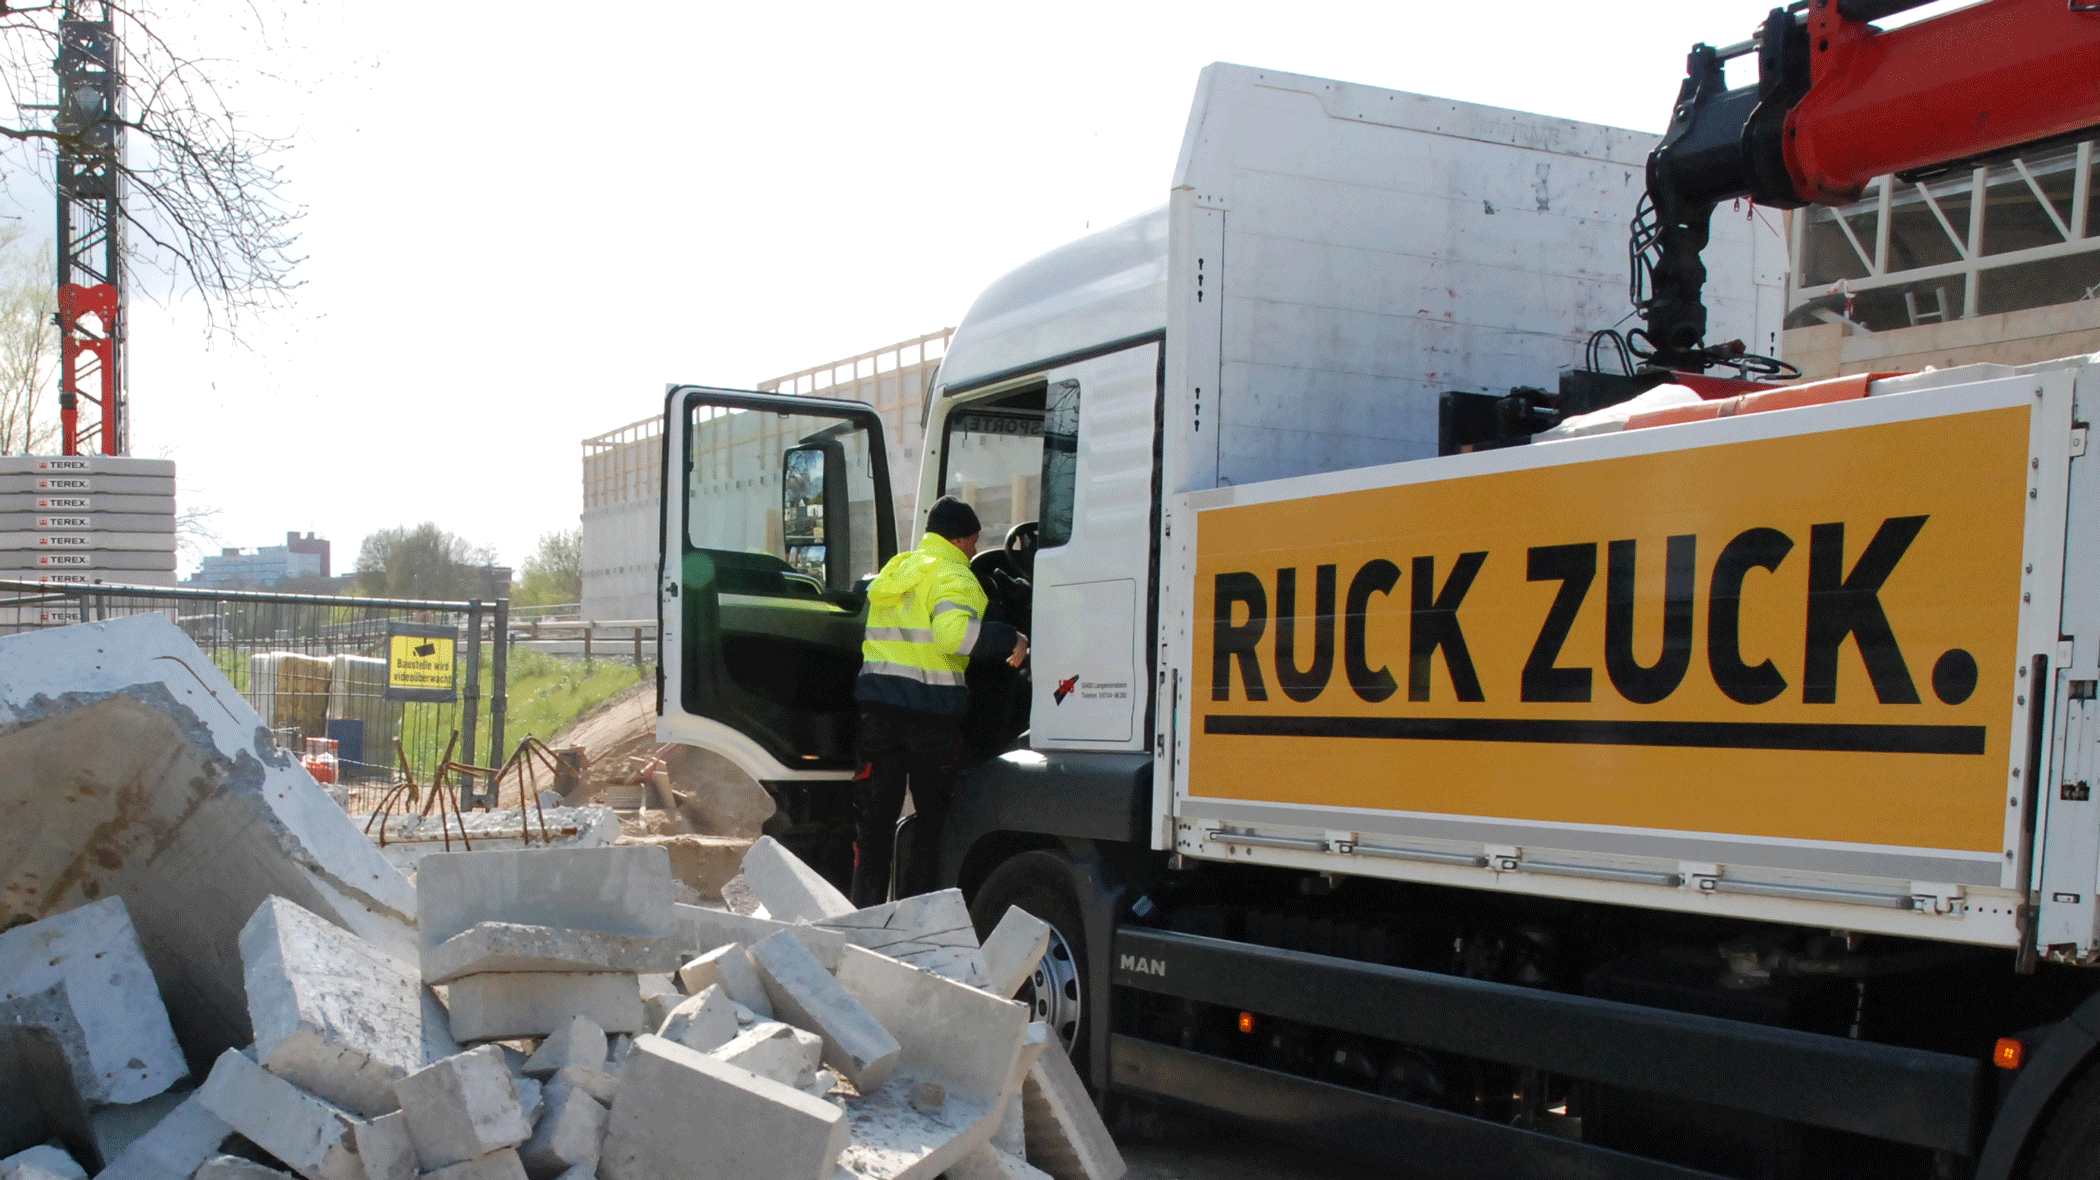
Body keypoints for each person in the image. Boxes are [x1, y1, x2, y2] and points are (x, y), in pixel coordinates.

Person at [851, 496, 1028, 905]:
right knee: (933, 826)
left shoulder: (898, 569)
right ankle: (917, 921)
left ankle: (862, 919)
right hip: (930, 721)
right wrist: (1010, 638)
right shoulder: (955, 575)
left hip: (878, 715)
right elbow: (954, 636)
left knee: (873, 828)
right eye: (973, 541)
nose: (973, 549)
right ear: (964, 539)